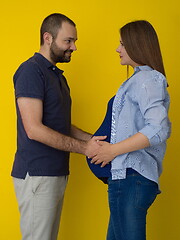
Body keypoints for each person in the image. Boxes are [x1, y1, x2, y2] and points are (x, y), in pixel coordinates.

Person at [12, 13, 105, 240]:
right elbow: (34, 129)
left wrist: (92, 141)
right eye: (68, 41)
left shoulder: (57, 76)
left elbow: (60, 124)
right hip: (37, 174)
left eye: (74, 41)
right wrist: (84, 149)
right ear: (48, 38)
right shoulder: (31, 71)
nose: (73, 47)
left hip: (55, 173)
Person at [87, 20, 171, 240]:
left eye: (122, 43)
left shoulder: (146, 79)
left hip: (130, 179)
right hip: (125, 179)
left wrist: (112, 151)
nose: (118, 49)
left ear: (136, 44)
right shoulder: (137, 79)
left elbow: (158, 128)